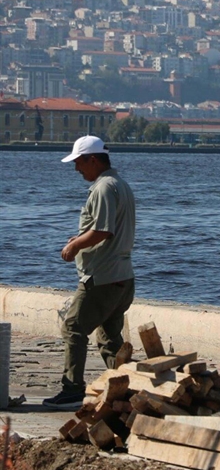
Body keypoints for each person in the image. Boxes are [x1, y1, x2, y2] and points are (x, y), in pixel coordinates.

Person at [43, 136, 136, 411]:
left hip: (102, 278)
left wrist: (74, 245)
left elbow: (104, 230)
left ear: (93, 160)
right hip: (122, 276)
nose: (77, 170)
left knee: (73, 328)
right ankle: (128, 390)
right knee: (109, 339)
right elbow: (106, 229)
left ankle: (72, 390)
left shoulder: (104, 187)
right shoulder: (120, 184)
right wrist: (82, 237)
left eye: (79, 163)